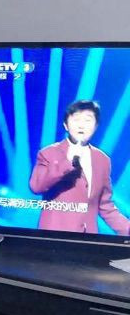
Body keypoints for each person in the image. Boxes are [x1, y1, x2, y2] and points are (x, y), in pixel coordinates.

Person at [29, 99, 130, 235]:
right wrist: (67, 162)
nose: (81, 125)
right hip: (55, 237)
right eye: (76, 119)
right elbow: (36, 186)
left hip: (88, 239)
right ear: (66, 125)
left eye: (88, 120)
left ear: (96, 126)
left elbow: (105, 205)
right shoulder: (49, 153)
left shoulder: (102, 160)